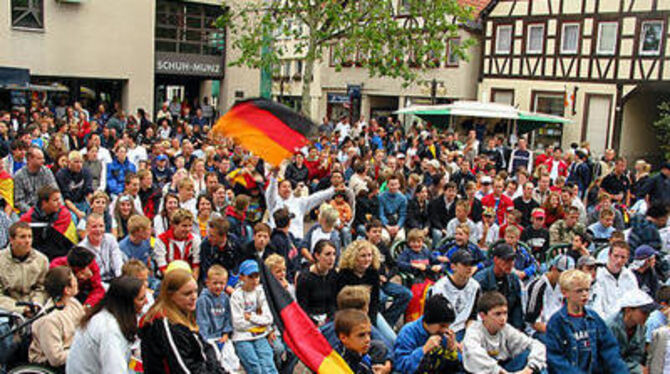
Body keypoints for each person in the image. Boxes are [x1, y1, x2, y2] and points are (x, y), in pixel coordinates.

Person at [139, 268, 226, 374]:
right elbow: (184, 369)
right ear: (170, 295)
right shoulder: (165, 324)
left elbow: (206, 348)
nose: (194, 297)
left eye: (195, 291)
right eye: (187, 294)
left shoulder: (183, 312)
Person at [545, 269, 629, 373]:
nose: (585, 294)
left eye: (587, 290)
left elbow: (609, 349)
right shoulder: (556, 322)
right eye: (579, 291)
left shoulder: (594, 318)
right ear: (564, 292)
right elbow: (556, 360)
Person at [66, 276, 147, 374]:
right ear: (126, 303)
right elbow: (114, 371)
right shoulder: (109, 329)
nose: (146, 302)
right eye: (141, 299)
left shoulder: (104, 314)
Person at [463, 291, 547, 373]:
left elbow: (537, 345)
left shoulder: (506, 329)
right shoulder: (474, 331)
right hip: (485, 371)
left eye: (505, 313)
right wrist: (499, 371)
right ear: (483, 316)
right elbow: (473, 354)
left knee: (530, 356)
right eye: (497, 314)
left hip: (506, 367)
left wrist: (529, 369)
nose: (503, 318)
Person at [29, 266, 86, 370]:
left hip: (74, 352)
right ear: (67, 290)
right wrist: (83, 351)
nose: (77, 282)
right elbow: (56, 358)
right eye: (74, 280)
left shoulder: (73, 303)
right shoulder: (49, 320)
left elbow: (85, 327)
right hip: (52, 365)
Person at [230, 259, 277, 374]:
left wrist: (251, 317)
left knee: (268, 365)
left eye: (257, 276)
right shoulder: (236, 296)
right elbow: (238, 323)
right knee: (255, 367)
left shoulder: (260, 292)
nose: (254, 280)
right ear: (241, 277)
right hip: (242, 337)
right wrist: (259, 321)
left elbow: (269, 319)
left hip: (260, 335)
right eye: (250, 276)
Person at [393, 295, 461, 373]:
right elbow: (400, 366)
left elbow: (454, 368)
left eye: (448, 326)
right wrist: (424, 350)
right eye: (442, 326)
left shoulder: (445, 336)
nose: (445, 330)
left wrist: (451, 351)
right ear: (429, 320)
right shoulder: (408, 332)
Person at [429, 249, 480, 342]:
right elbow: (435, 320)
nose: (469, 268)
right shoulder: (440, 287)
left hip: (464, 329)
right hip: (444, 331)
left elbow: (473, 316)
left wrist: (469, 337)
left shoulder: (475, 286)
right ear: (453, 267)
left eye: (471, 264)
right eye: (465, 264)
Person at [0, 221, 49, 315]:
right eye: (22, 237)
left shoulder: (42, 260)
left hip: (34, 308)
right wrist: (20, 309)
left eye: (30, 236)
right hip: (7, 310)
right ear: (11, 239)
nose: (27, 241)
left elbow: (41, 289)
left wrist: (36, 304)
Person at [474, 243, 525, 330]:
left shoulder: (514, 279)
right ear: (496, 260)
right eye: (506, 260)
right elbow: (476, 313)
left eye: (512, 260)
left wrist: (517, 330)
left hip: (508, 326)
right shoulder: (480, 280)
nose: (510, 264)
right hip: (486, 327)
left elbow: (517, 309)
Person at [525, 255, 575, 342]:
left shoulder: (564, 286)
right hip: (538, 331)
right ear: (553, 269)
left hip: (557, 328)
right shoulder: (538, 286)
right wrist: (556, 332)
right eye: (562, 273)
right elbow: (532, 322)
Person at [606, 289, 655, 374]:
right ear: (628, 310)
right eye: (644, 312)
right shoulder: (610, 327)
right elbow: (609, 359)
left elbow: (638, 354)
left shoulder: (642, 327)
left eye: (649, 312)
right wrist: (637, 369)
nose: (648, 315)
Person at [591, 240, 639, 318]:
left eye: (623, 257)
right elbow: (597, 306)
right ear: (609, 255)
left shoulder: (630, 276)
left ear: (627, 259)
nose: (619, 260)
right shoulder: (598, 275)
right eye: (616, 256)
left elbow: (634, 300)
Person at [296, 239, 338, 325]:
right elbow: (302, 308)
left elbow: (333, 303)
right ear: (317, 255)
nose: (332, 258)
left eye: (334, 254)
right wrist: (316, 323)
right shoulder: (305, 278)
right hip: (310, 320)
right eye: (327, 254)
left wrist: (330, 319)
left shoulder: (333, 274)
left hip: (328, 319)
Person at [333, 309, 387, 374]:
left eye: (369, 334)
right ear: (343, 338)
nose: (368, 339)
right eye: (361, 335)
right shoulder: (338, 363)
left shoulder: (364, 351)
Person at [154, 208, 202, 279]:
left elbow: (196, 264)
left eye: (190, 226)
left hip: (188, 277)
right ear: (174, 225)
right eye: (184, 226)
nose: (188, 229)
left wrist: (193, 281)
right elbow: (162, 267)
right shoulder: (161, 240)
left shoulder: (195, 239)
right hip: (167, 278)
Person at [79, 213, 124, 283]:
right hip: (96, 283)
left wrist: (121, 281)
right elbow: (88, 277)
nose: (98, 230)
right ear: (87, 229)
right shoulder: (82, 249)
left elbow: (118, 263)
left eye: (101, 226)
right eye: (94, 227)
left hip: (114, 279)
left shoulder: (110, 239)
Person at [196, 264, 233, 345]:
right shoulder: (203, 300)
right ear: (207, 282)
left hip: (222, 336)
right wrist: (205, 339)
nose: (218, 286)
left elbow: (228, 317)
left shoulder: (226, 298)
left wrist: (226, 334)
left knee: (231, 357)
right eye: (215, 283)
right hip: (209, 337)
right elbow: (202, 321)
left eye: (222, 283)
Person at [14, 146, 57, 214]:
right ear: (29, 159)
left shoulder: (47, 172)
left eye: (43, 158)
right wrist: (33, 212)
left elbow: (55, 191)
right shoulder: (19, 175)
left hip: (46, 208)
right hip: (27, 211)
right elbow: (19, 201)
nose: (43, 161)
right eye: (39, 158)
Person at [56, 151, 93, 221]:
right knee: (73, 218)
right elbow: (65, 198)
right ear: (69, 162)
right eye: (76, 162)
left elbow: (89, 192)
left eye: (81, 162)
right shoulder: (61, 174)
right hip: (68, 205)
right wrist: (77, 212)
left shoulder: (86, 172)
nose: (79, 165)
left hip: (83, 202)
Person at [378, 174, 407, 242]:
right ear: (387, 185)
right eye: (392, 185)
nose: (394, 187)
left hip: (397, 224)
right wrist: (387, 226)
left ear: (399, 185)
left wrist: (398, 226)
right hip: (385, 225)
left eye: (396, 184)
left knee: (400, 238)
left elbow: (403, 215)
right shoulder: (381, 197)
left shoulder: (403, 198)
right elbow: (381, 214)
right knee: (385, 237)